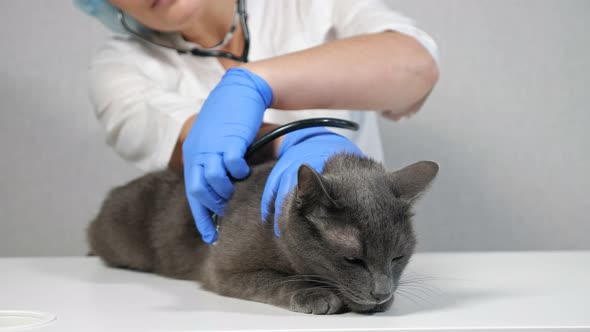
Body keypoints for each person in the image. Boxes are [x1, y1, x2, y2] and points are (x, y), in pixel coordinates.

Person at [75, 0, 439, 244]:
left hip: (357, 257)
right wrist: (297, 140)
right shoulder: (119, 68)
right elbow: (194, 146)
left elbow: (415, 68)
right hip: (252, 269)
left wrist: (257, 82)